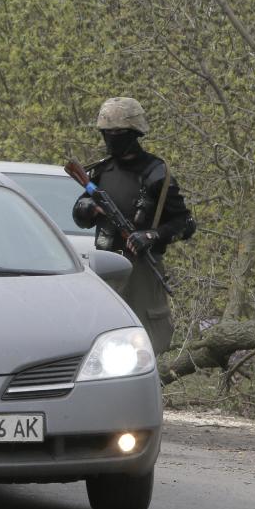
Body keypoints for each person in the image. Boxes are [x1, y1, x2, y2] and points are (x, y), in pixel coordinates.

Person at [72, 97, 195, 355]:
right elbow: (81, 217)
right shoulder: (101, 172)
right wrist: (86, 209)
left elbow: (185, 223)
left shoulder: (156, 173)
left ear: (133, 133)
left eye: (117, 132)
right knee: (102, 340)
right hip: (104, 266)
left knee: (145, 344)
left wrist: (151, 235)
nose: (110, 137)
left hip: (141, 269)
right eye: (107, 132)